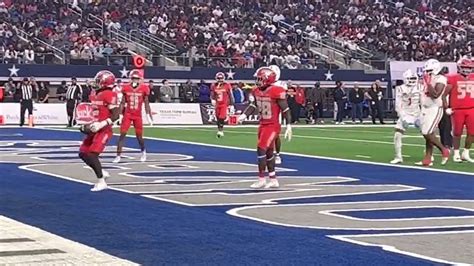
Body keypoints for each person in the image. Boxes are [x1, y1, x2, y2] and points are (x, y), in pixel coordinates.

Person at [237, 67, 292, 189]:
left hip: (272, 126)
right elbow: (253, 105)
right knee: (268, 152)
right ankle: (273, 179)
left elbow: (286, 109)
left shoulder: (277, 90)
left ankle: (261, 179)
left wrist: (288, 125)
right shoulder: (256, 90)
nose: (258, 81)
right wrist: (244, 115)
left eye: (260, 78)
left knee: (261, 149)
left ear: (267, 79)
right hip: (262, 124)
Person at [77, 70, 120, 191]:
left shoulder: (109, 94)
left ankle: (101, 182)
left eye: (98, 80)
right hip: (94, 127)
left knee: (92, 154)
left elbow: (116, 115)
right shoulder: (95, 93)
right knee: (82, 153)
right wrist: (88, 125)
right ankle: (101, 171)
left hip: (104, 129)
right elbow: (96, 113)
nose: (96, 82)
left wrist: (101, 124)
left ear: (104, 82)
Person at [113, 69, 153, 163]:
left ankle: (143, 152)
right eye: (133, 78)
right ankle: (118, 155)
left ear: (139, 79)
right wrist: (120, 114)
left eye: (136, 78)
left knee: (139, 136)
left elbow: (146, 103)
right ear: (131, 79)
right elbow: (122, 102)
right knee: (122, 134)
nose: (135, 80)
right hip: (128, 114)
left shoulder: (144, 88)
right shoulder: (126, 88)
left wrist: (148, 115)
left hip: (137, 115)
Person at [419, 59, 450, 166]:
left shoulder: (441, 78)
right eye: (426, 70)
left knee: (427, 132)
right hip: (425, 108)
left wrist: (428, 83)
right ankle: (428, 157)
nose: (427, 72)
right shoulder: (428, 78)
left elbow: (435, 94)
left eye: (429, 70)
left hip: (435, 108)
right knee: (428, 134)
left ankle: (444, 150)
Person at [445, 57, 474, 163]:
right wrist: (446, 107)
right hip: (457, 109)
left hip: (471, 108)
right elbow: (444, 94)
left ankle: (465, 152)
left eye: (469, 68)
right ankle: (456, 153)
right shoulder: (453, 78)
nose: (467, 70)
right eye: (464, 67)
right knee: (457, 132)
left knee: (472, 132)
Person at [390, 69, 422, 164]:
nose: (412, 80)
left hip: (417, 113)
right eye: (410, 78)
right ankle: (398, 156)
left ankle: (429, 155)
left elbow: (423, 102)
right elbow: (398, 105)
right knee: (397, 135)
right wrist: (402, 117)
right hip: (405, 113)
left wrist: (421, 116)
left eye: (413, 78)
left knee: (428, 134)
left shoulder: (420, 87)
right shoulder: (400, 88)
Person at [210, 72, 234, 138]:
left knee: (222, 117)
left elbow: (230, 95)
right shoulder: (213, 85)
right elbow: (212, 94)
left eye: (221, 78)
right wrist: (212, 99)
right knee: (218, 118)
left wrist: (232, 104)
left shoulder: (227, 85)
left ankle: (221, 130)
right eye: (218, 78)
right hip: (217, 104)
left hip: (224, 104)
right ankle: (219, 130)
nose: (220, 80)